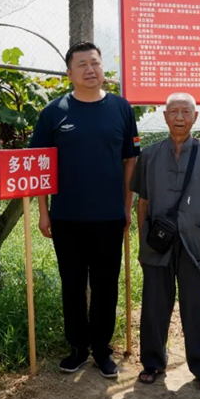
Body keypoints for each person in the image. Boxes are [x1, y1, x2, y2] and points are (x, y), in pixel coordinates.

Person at [29, 41, 140, 378]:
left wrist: (126, 206)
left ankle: (102, 350)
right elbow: (40, 166)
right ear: (69, 73)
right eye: (82, 64)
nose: (90, 70)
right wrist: (43, 212)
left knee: (106, 285)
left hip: (109, 217)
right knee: (73, 284)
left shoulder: (121, 109)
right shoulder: (54, 112)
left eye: (95, 63)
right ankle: (77, 348)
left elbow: (130, 159)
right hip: (66, 218)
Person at [130, 93, 200, 392]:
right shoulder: (149, 155)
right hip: (158, 245)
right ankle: (152, 362)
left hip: (197, 242)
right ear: (164, 116)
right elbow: (143, 202)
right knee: (153, 306)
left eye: (185, 111)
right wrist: (143, 243)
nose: (179, 117)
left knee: (195, 306)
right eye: (173, 111)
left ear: (195, 117)